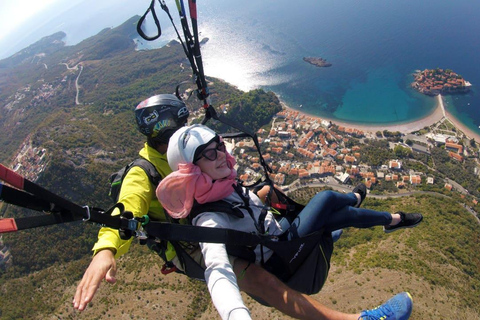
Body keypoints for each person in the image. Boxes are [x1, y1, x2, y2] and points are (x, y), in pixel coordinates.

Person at [157, 124, 424, 320]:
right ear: (192, 170)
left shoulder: (225, 186)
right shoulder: (209, 218)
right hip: (281, 255)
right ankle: (356, 200)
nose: (221, 155)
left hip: (280, 237)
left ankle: (390, 218)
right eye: (209, 154)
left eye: (220, 147)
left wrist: (261, 195)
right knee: (326, 199)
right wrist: (236, 314)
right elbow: (217, 268)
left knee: (335, 217)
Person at [73, 93, 189, 311]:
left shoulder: (180, 155)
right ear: (166, 131)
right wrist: (106, 249)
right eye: (181, 126)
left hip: (205, 222)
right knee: (262, 276)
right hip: (189, 246)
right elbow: (127, 209)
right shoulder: (142, 173)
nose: (186, 131)